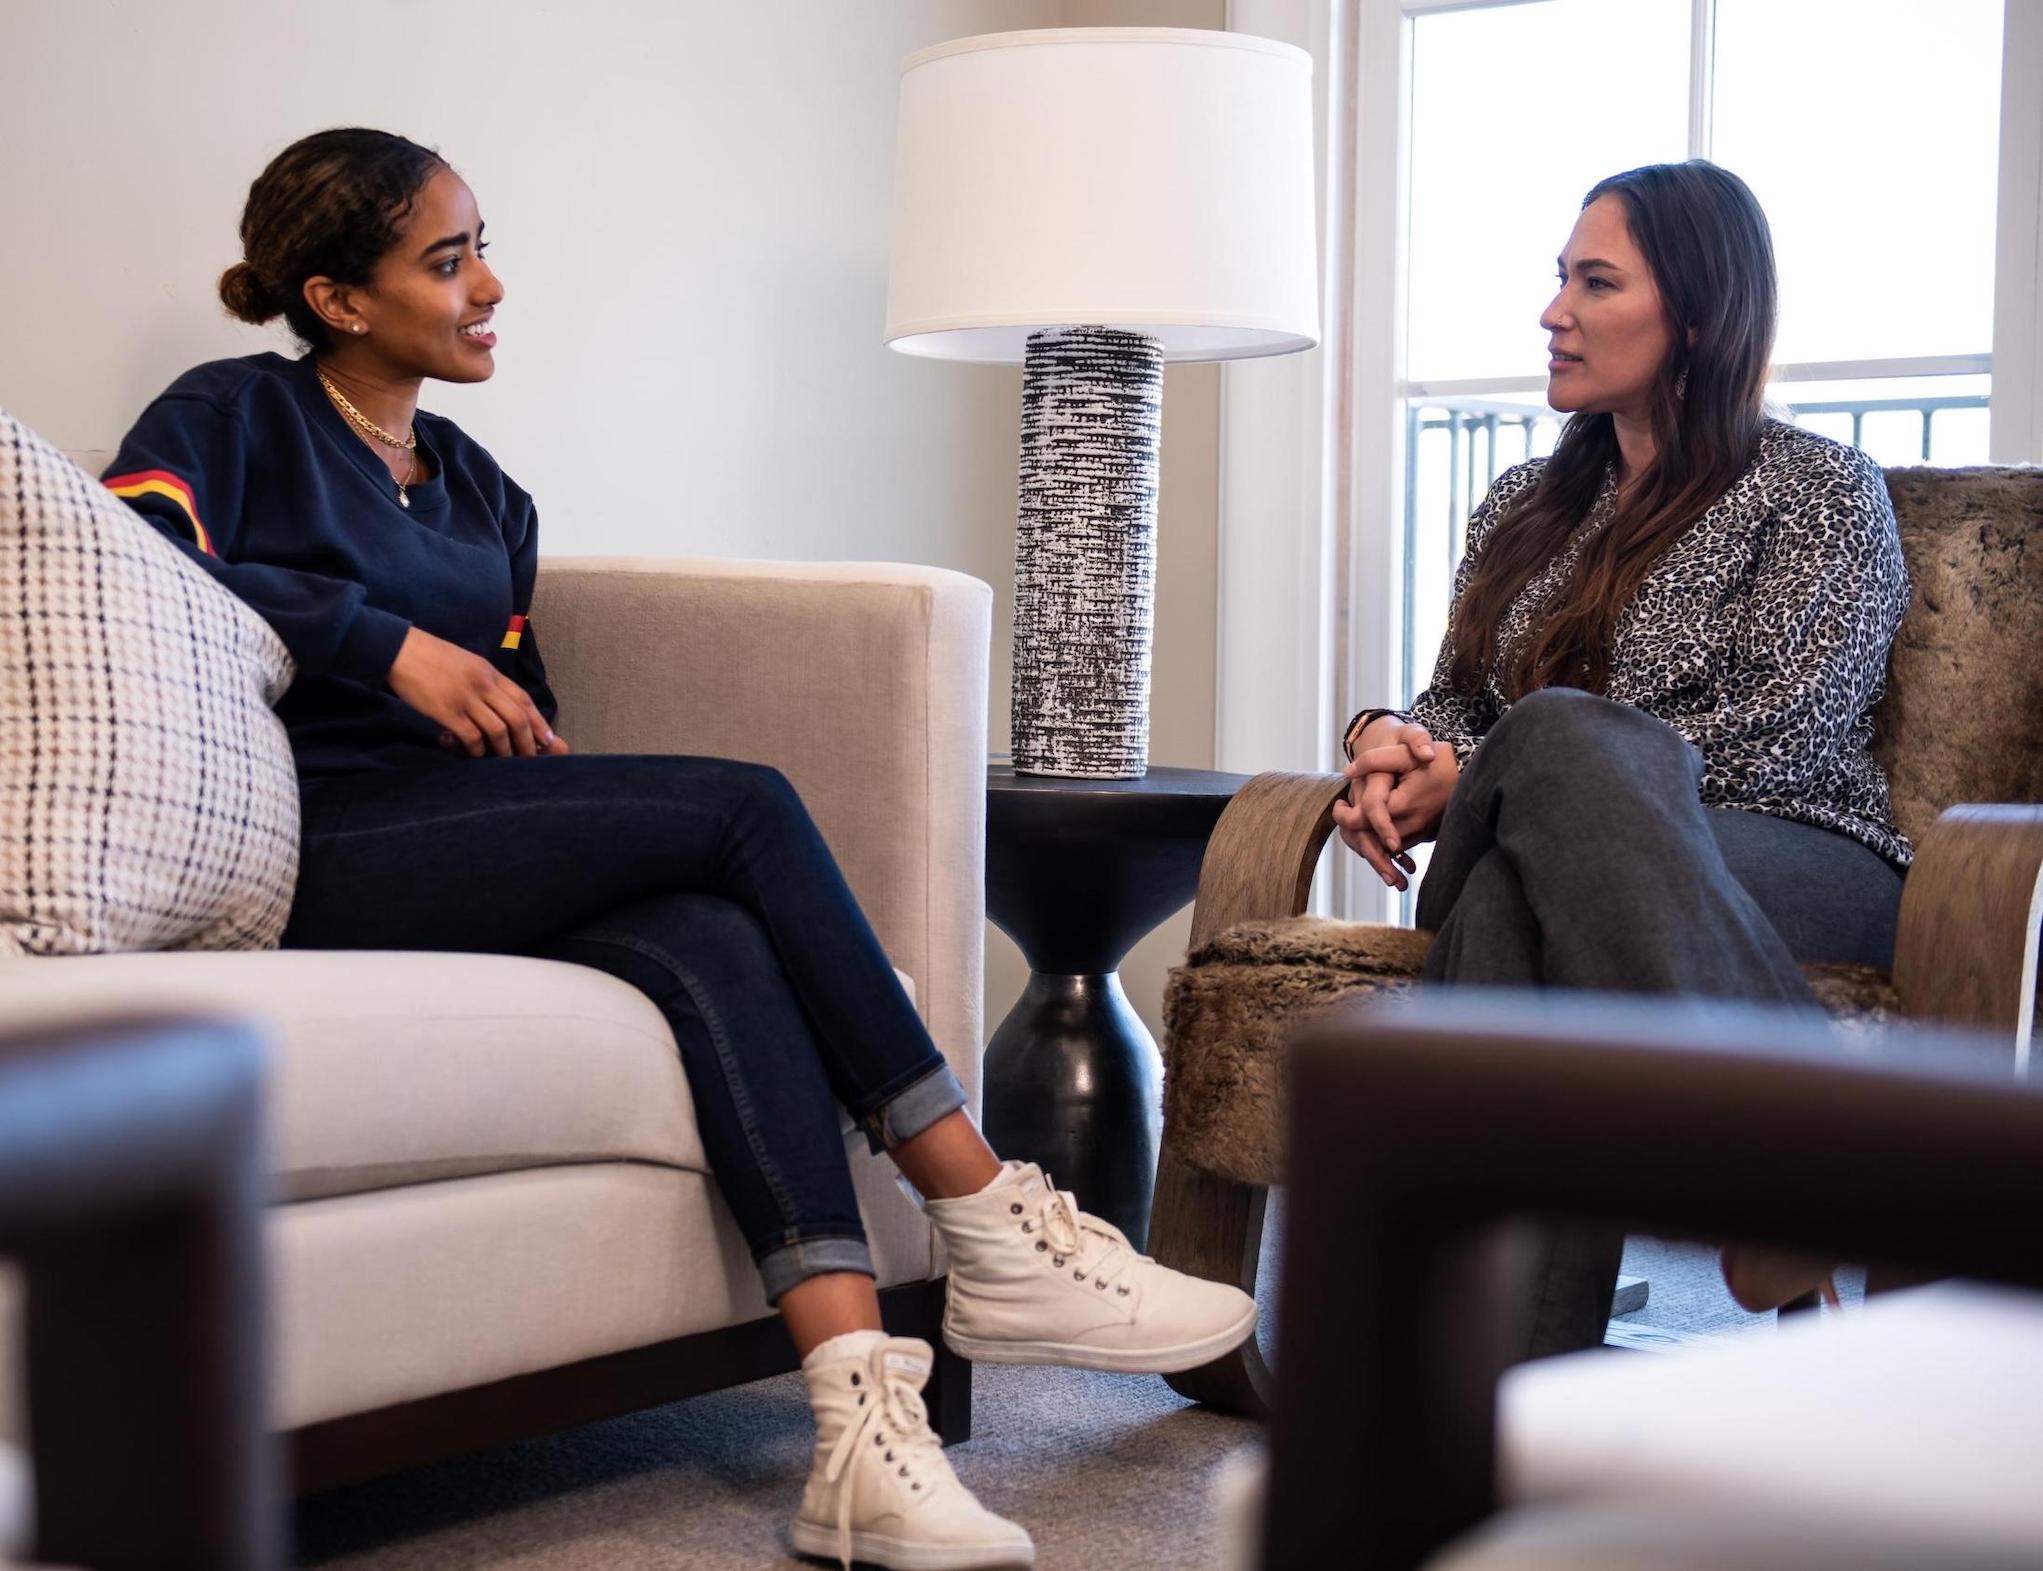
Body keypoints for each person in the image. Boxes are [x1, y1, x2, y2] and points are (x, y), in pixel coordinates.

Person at [104, 127, 1254, 1571]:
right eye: (447, 261)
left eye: (480, 251)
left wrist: (568, 809)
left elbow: (525, 710)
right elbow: (142, 555)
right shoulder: (233, 419)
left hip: (457, 839)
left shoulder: (478, 489)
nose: (488, 285)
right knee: (744, 802)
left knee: (707, 931)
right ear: (338, 299)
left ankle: (855, 1427)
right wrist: (381, 642)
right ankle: (979, 1203)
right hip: (316, 842)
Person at [1331, 160, 1910, 1357]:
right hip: (1563, 841)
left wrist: (1510, 757)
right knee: (1534, 788)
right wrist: (1385, 740)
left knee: (1514, 869)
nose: (1554, 312)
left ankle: (1484, 1391)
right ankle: (1801, 1170)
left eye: (1596, 282)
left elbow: (1786, 729)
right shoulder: (1521, 505)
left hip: (1798, 848)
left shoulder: (1819, 490)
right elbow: (1453, 700)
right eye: (1560, 279)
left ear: (1695, 316)